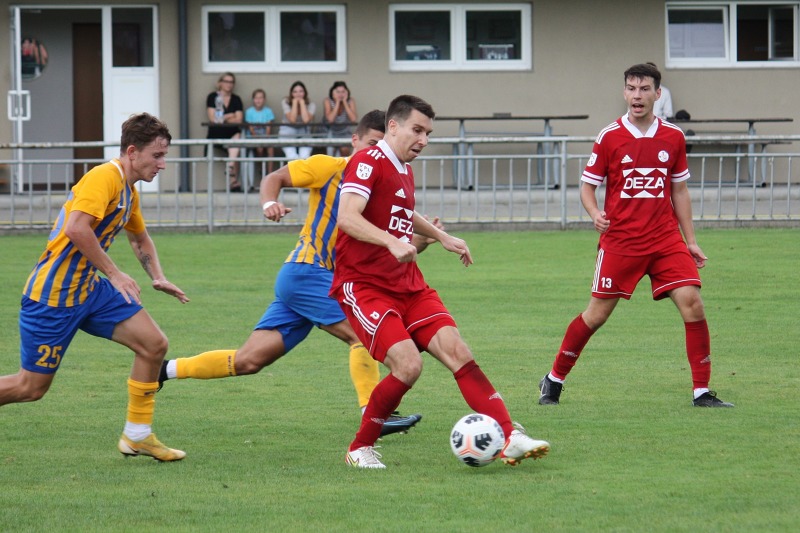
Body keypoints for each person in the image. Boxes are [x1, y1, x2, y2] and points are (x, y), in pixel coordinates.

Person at [158, 110, 431, 437]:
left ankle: (164, 370)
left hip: (317, 282)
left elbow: (386, 251)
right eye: (372, 143)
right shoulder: (330, 167)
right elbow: (274, 178)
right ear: (354, 140)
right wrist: (268, 203)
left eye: (382, 145)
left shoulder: (381, 185)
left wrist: (422, 241)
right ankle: (373, 415)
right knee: (363, 335)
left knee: (249, 360)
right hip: (308, 272)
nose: (377, 151)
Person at [332, 95, 550, 469]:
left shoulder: (403, 168)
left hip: (408, 284)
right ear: (393, 126)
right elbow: (347, 217)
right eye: (417, 130)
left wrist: (442, 236)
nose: (424, 140)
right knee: (408, 365)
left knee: (457, 351)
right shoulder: (367, 161)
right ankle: (360, 447)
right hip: (365, 286)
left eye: (428, 133)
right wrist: (390, 241)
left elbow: (403, 212)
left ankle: (509, 435)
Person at [537, 63, 734, 409]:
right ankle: (554, 379)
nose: (637, 96)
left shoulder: (673, 136)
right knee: (596, 315)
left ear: (658, 94)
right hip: (621, 242)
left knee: (693, 304)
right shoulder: (609, 136)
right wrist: (595, 214)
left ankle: (701, 391)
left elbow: (680, 191)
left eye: (644, 89)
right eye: (631, 88)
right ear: (624, 93)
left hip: (665, 239)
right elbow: (587, 187)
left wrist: (690, 240)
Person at [0, 112, 189, 461]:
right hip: (53, 297)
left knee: (153, 344)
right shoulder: (104, 177)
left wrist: (158, 276)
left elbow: (139, 238)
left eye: (164, 155)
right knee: (31, 387)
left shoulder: (128, 190)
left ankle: (137, 435)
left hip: (89, 290)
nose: (163, 164)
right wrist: (115, 274)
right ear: (132, 152)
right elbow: (76, 228)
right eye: (157, 155)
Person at [206, 72, 245, 191]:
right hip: (217, 132)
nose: (229, 84)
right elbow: (213, 118)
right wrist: (229, 115)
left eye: (231, 82)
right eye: (226, 81)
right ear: (220, 83)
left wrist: (223, 118)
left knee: (236, 139)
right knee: (235, 147)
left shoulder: (236, 99)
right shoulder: (213, 97)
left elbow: (239, 119)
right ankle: (233, 178)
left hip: (233, 132)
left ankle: (231, 169)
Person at [278, 81, 316, 161]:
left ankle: (300, 169)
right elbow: (292, 120)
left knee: (304, 156)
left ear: (305, 93)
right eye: (295, 92)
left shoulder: (311, 104)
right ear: (291, 93)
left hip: (304, 133)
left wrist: (302, 103)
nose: (298, 94)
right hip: (287, 133)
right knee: (292, 156)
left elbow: (306, 120)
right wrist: (295, 103)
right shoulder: (285, 102)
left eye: (301, 91)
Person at [245, 88, 277, 182]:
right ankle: (261, 169)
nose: (258, 100)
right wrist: (257, 140)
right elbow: (251, 129)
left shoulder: (268, 111)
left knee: (270, 148)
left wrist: (264, 139)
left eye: (261, 98)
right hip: (253, 137)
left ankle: (270, 173)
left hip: (265, 136)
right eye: (256, 98)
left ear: (264, 99)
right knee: (259, 149)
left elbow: (268, 128)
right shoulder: (249, 112)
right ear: (253, 99)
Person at [323, 81, 358, 157]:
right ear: (333, 92)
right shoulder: (328, 101)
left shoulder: (350, 101)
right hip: (331, 131)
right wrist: (337, 102)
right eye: (338, 92)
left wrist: (345, 102)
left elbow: (353, 119)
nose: (340, 94)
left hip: (345, 132)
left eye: (343, 92)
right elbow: (330, 119)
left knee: (344, 150)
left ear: (347, 92)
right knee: (331, 154)